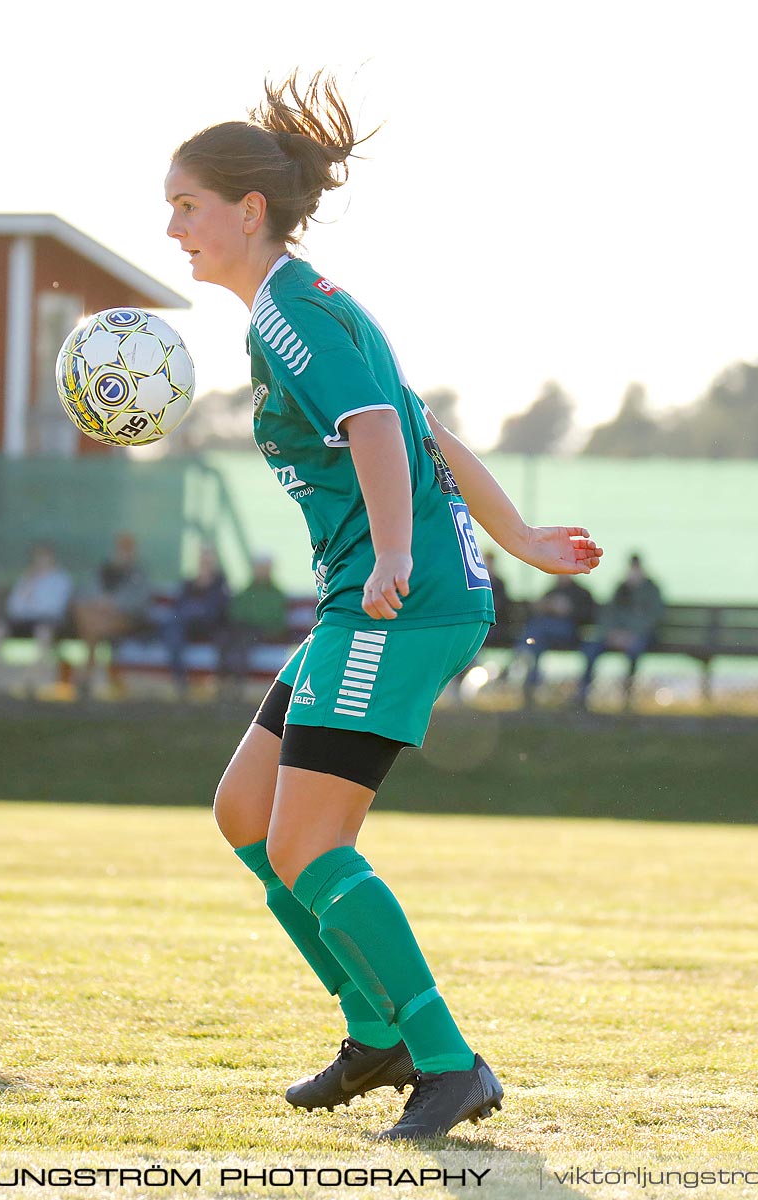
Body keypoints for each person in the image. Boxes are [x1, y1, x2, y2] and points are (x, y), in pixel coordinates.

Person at [167, 73, 601, 1140]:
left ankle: (445, 1061)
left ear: (247, 210)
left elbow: (373, 425)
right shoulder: (290, 309)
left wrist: (399, 553)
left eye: (185, 205)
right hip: (370, 601)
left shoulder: (296, 311)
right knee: (247, 819)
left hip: (395, 607)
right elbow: (420, 427)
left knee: (310, 842)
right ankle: (378, 1034)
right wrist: (523, 538)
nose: (172, 227)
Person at [0, 543, 72, 695]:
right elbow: (14, 607)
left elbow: (53, 608)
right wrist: (30, 586)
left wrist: (33, 603)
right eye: (37, 559)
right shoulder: (26, 578)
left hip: (46, 621)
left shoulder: (61, 580)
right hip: (21, 620)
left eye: (44, 558)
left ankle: (37, 681)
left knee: (43, 632)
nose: (40, 562)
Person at [577, 554, 665, 708]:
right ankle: (582, 694)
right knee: (591, 649)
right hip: (614, 636)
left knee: (634, 649)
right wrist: (611, 633)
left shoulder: (651, 590)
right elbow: (607, 614)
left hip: (639, 636)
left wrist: (630, 634)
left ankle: (627, 696)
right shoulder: (620, 589)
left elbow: (653, 618)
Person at [72, 532, 151, 696]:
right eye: (121, 549)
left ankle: (87, 672)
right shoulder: (102, 571)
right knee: (85, 613)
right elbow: (85, 592)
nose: (124, 553)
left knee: (93, 625)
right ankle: (92, 673)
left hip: (125, 619)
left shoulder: (138, 574)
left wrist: (113, 604)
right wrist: (100, 602)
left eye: (128, 549)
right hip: (98, 617)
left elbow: (139, 602)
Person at [158, 545, 229, 694]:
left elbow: (219, 611)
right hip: (188, 626)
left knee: (224, 640)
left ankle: (219, 688)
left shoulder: (220, 584)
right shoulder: (188, 584)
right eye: (203, 559)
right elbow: (178, 608)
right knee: (173, 631)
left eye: (208, 559)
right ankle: (180, 683)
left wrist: (199, 610)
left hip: (211, 627)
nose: (205, 563)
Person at [515, 574, 596, 703]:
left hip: (571, 634)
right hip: (547, 638)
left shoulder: (580, 592)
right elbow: (537, 610)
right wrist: (546, 607)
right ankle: (530, 680)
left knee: (536, 632)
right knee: (536, 641)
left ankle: (522, 651)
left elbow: (588, 615)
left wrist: (569, 610)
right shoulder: (552, 591)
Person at [221, 552, 288, 690]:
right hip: (243, 630)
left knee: (243, 642)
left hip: (263, 633)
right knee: (224, 638)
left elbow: (277, 622)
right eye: (259, 567)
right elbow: (235, 613)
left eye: (264, 567)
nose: (261, 570)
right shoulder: (246, 591)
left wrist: (255, 622)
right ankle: (223, 681)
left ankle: (238, 684)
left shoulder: (276, 594)